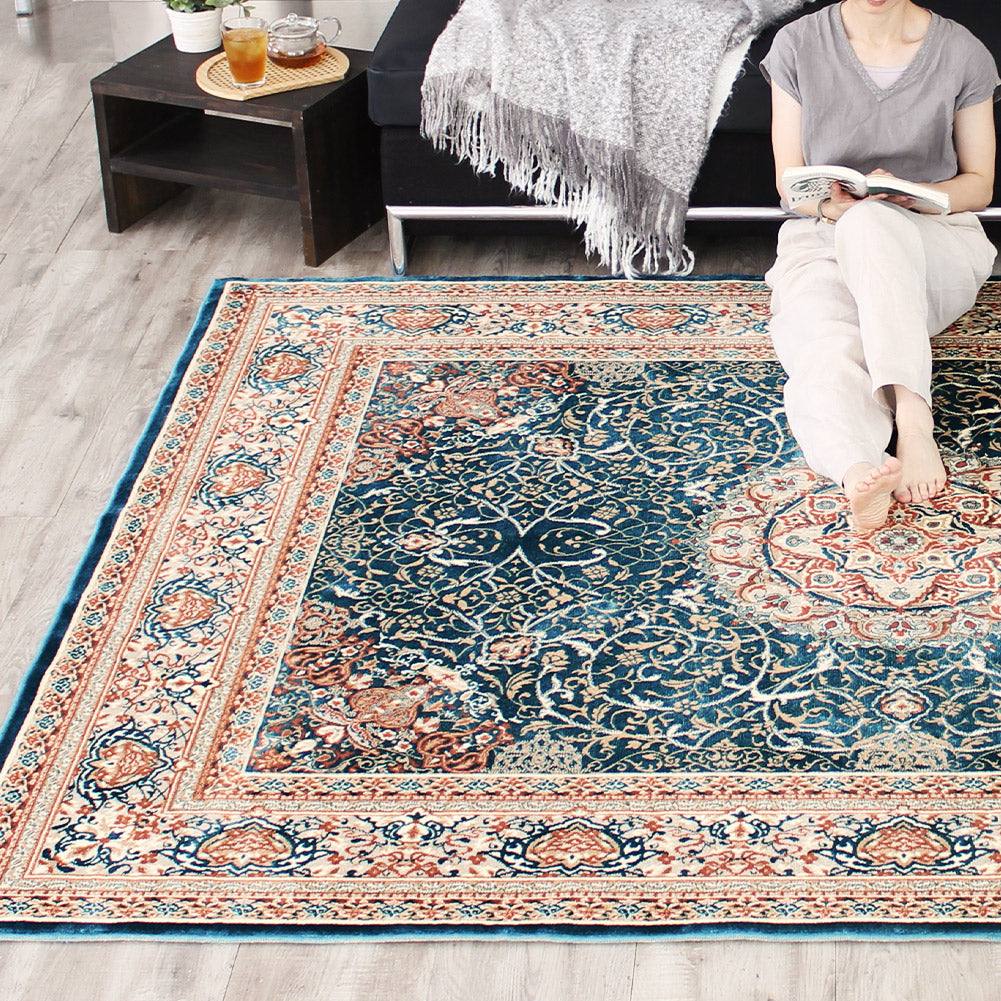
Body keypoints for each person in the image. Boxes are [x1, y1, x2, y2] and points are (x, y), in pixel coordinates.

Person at [761, 0, 999, 530]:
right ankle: (856, 471)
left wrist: (911, 195)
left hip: (935, 241)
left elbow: (979, 184)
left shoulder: (962, 51)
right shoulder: (798, 44)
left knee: (873, 222)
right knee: (822, 342)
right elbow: (789, 182)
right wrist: (832, 208)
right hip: (825, 234)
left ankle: (914, 423)